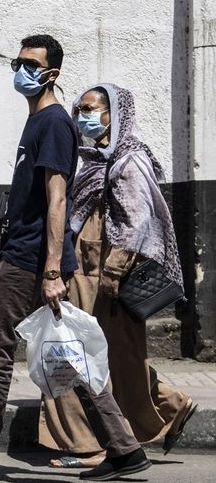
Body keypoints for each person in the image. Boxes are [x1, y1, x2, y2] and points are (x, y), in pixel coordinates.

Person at [0, 36, 151, 483]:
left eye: (30, 64)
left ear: (52, 73)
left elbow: (56, 198)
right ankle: (124, 449)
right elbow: (21, 200)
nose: (19, 70)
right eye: (16, 62)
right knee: (69, 353)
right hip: (22, 252)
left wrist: (49, 271)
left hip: (30, 262)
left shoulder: (53, 125)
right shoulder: (37, 123)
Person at [39, 83, 198, 468]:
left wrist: (113, 272)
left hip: (107, 275)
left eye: (91, 109)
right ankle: (169, 406)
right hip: (85, 267)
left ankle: (90, 445)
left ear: (116, 114)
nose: (82, 116)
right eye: (79, 109)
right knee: (98, 357)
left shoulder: (128, 161)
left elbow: (137, 222)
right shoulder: (93, 160)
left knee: (91, 357)